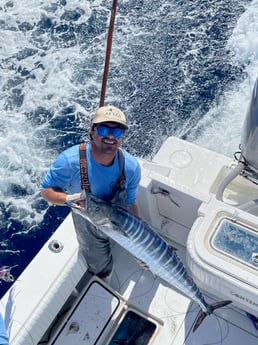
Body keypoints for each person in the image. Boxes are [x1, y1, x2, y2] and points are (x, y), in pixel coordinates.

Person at [41, 105, 141, 280]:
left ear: (122, 138)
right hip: (87, 219)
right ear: (92, 132)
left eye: (117, 132)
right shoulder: (68, 161)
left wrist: (137, 235)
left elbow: (131, 202)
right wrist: (68, 199)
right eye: (103, 129)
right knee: (100, 265)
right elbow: (47, 191)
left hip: (117, 216)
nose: (110, 136)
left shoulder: (131, 167)